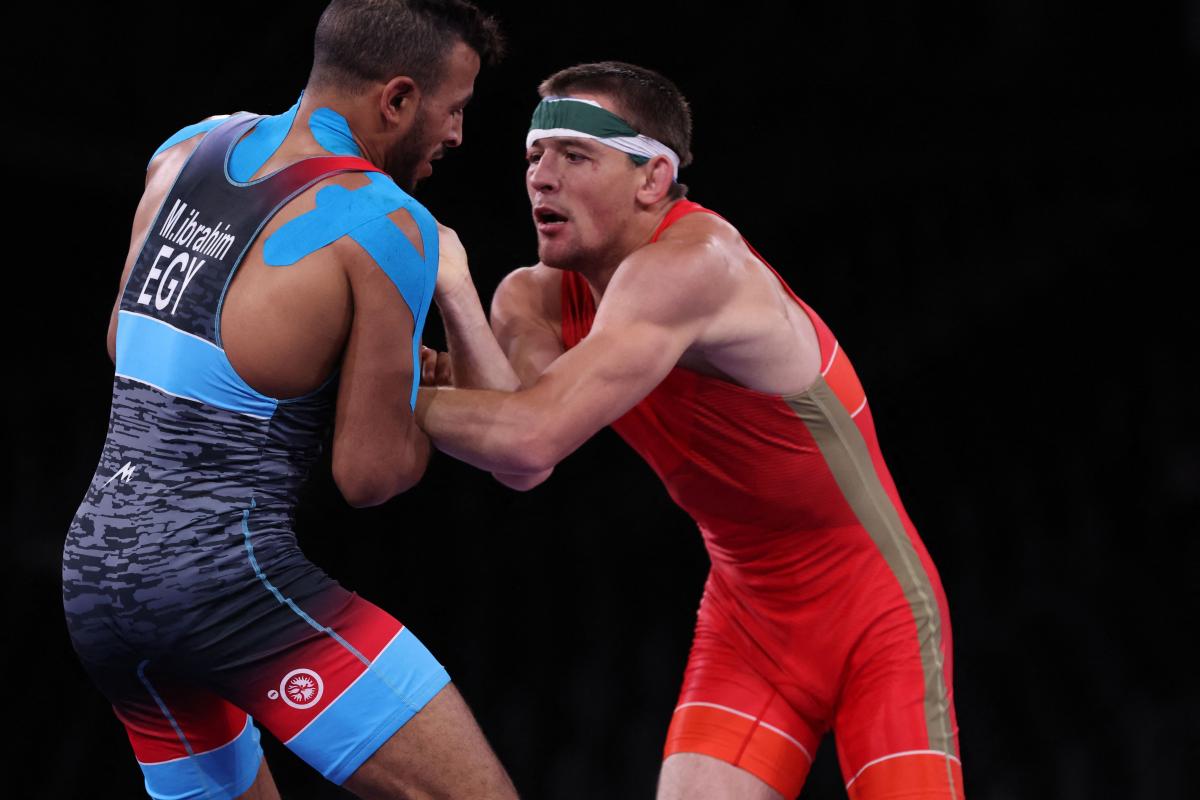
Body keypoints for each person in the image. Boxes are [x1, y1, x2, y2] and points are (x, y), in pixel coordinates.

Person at [418, 61, 965, 800]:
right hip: (747, 616)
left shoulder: (696, 264)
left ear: (653, 178)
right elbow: (519, 466)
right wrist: (455, 292)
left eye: (575, 155)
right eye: (534, 156)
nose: (541, 178)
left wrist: (384, 392)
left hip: (875, 616)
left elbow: (526, 436)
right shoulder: (532, 297)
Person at [61, 2, 519, 799]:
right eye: (455, 109)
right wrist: (406, 383)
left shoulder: (189, 147)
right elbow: (370, 476)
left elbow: (121, 339)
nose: (456, 135)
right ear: (398, 99)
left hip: (96, 581)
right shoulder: (388, 223)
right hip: (219, 581)